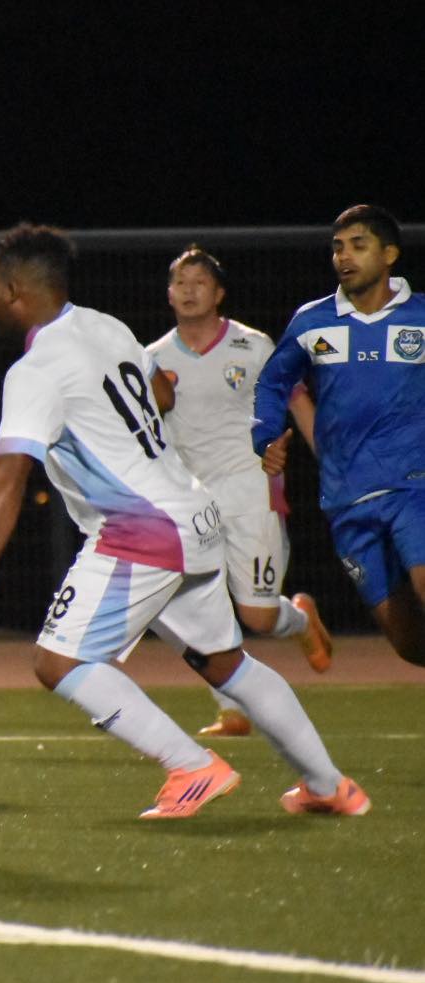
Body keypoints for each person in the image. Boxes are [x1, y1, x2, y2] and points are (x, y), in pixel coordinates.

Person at [0, 223, 368, 820]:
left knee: (58, 662)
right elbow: (160, 398)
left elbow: (8, 473)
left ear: (15, 290)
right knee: (227, 665)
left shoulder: (36, 369)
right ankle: (329, 785)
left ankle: (192, 767)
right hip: (192, 514)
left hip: (140, 530)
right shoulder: (105, 325)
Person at [146, 244, 332, 737]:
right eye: (180, 282)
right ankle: (231, 708)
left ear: (220, 293)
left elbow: (296, 402)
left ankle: (298, 618)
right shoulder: (152, 359)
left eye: (199, 281)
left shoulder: (253, 346)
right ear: (168, 293)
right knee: (190, 609)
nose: (188, 290)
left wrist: (331, 463)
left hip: (250, 488)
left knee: (258, 616)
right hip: (190, 502)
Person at [253, 205, 425, 668]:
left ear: (390, 254)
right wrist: (265, 437)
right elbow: (272, 383)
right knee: (410, 645)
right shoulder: (313, 322)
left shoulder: (421, 316)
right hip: (347, 498)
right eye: (338, 247)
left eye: (358, 245)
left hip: (415, 486)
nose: (344, 256)